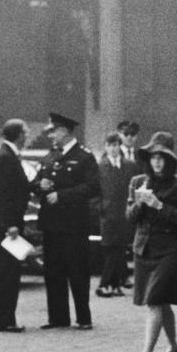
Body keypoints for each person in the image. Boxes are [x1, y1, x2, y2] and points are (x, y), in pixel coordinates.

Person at [126, 132, 177, 352]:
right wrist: (140, 203)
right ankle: (173, 345)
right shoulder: (137, 182)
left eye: (162, 157)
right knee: (161, 303)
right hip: (144, 249)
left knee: (154, 300)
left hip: (169, 250)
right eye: (154, 157)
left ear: (170, 160)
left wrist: (159, 205)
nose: (157, 162)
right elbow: (129, 218)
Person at [31, 112, 101, 330]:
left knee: (77, 269)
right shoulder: (51, 155)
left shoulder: (84, 157)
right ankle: (58, 317)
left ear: (65, 131)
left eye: (54, 131)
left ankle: (83, 317)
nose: (51, 135)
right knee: (53, 270)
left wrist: (62, 196)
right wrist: (39, 186)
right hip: (51, 223)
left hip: (73, 224)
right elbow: (35, 182)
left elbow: (92, 187)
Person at [0, 119, 31, 333]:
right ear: (18, 135)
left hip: (10, 225)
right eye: (25, 132)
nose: (27, 136)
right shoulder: (6, 158)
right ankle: (3, 320)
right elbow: (1, 197)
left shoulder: (8, 156)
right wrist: (9, 225)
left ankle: (5, 318)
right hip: (8, 228)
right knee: (7, 273)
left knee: (10, 272)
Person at [96, 132, 136, 297]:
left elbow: (133, 187)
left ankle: (114, 284)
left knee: (119, 247)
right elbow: (95, 190)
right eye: (110, 145)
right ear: (105, 147)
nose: (113, 149)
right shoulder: (100, 166)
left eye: (115, 145)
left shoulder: (129, 165)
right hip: (108, 213)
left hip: (124, 213)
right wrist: (100, 207)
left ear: (120, 146)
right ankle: (105, 284)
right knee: (111, 248)